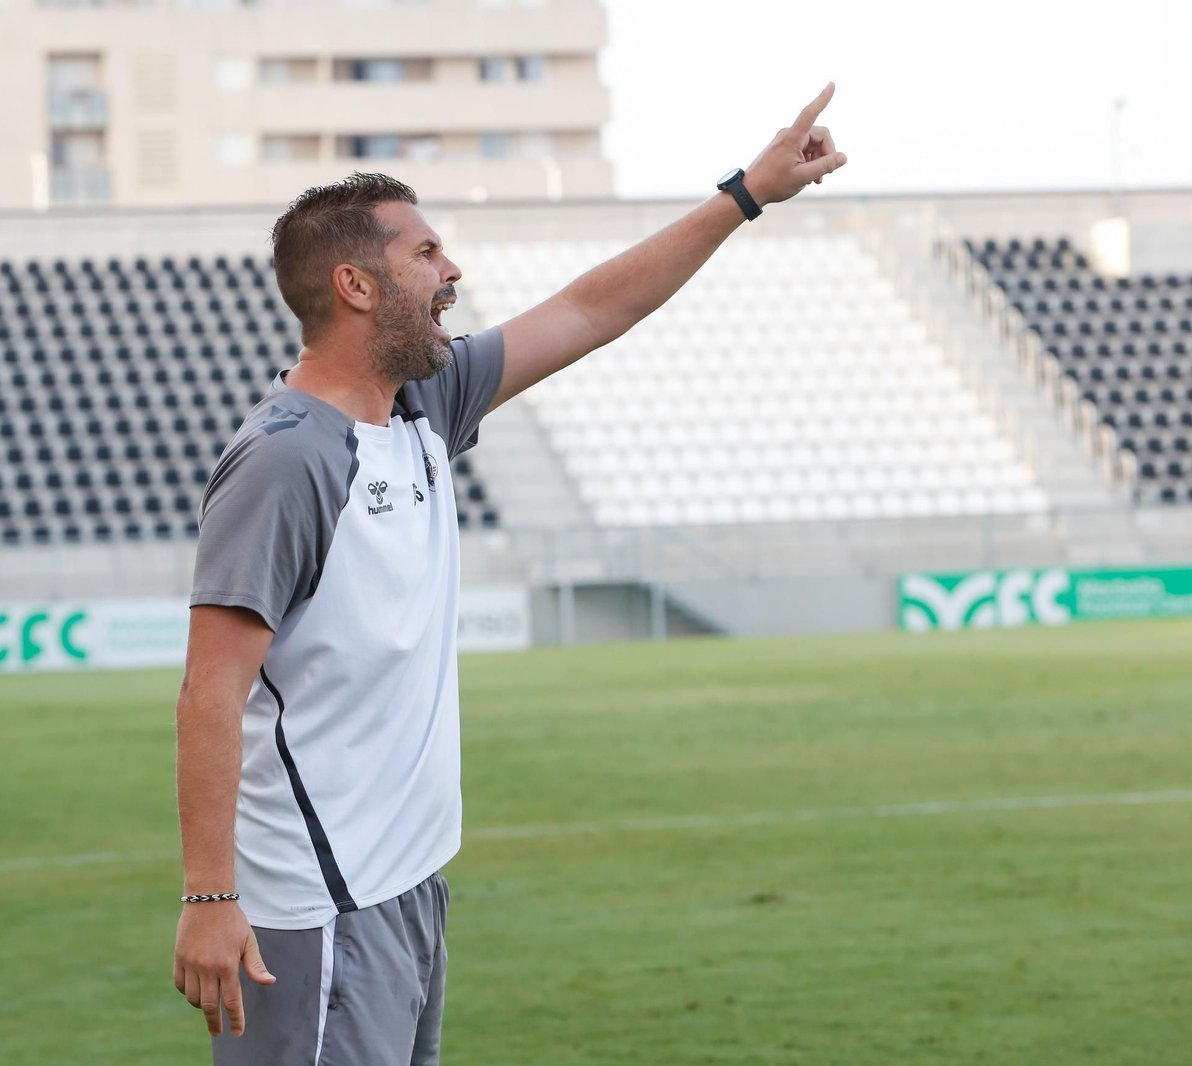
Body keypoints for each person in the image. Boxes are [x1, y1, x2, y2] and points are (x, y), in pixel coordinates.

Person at [174, 83, 847, 1064]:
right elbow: (209, 691)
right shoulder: (286, 458)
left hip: (406, 885)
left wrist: (742, 196)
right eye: (425, 253)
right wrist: (208, 896)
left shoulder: (422, 402)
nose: (452, 270)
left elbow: (588, 308)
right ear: (358, 286)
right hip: (318, 909)